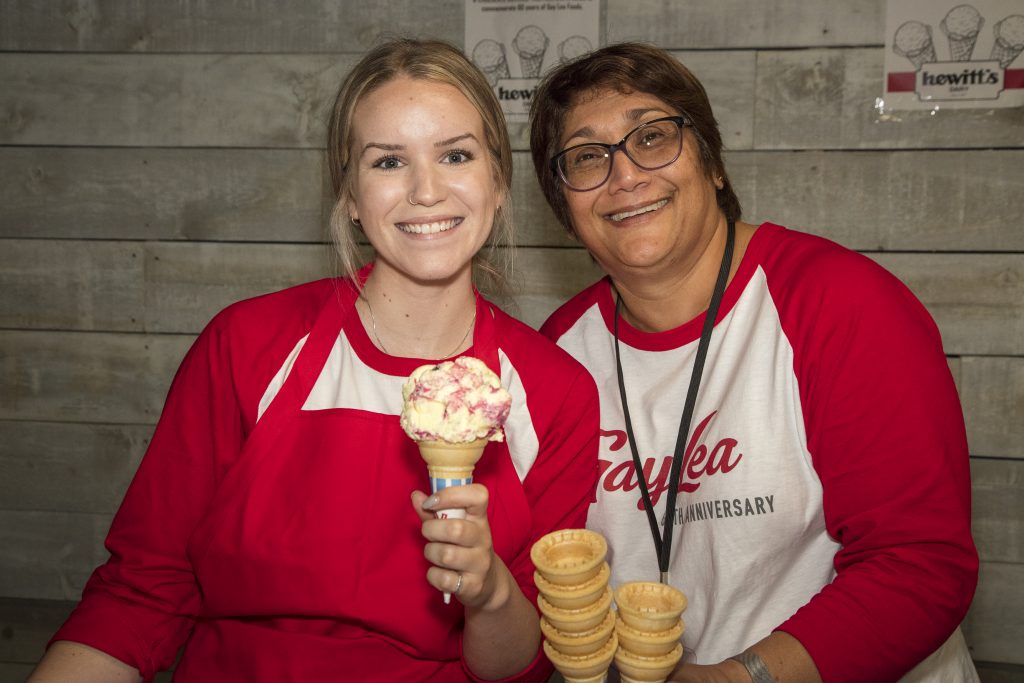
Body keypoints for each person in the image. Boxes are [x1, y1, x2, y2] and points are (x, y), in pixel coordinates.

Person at [28, 38, 598, 683]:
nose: (426, 191)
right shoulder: (247, 344)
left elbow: (518, 667)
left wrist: (490, 592)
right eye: (388, 161)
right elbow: (143, 592)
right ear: (350, 195)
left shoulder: (556, 391)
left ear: (498, 183)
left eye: (456, 155)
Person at [530, 43, 978, 682]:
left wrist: (739, 678)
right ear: (565, 210)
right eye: (587, 157)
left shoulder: (840, 304)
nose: (624, 175)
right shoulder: (557, 353)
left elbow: (919, 565)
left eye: (652, 137)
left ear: (712, 163)